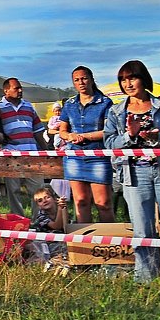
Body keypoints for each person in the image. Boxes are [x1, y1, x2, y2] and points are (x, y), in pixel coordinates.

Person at [104, 59, 160, 283]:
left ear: (143, 78)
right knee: (142, 229)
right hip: (133, 173)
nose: (128, 84)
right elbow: (109, 143)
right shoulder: (115, 111)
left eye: (132, 77)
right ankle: (145, 277)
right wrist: (130, 136)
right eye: (123, 80)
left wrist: (158, 137)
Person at [59, 65, 115, 223]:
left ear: (91, 80)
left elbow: (108, 131)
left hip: (97, 155)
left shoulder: (105, 102)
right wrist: (70, 136)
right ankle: (85, 241)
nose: (81, 82)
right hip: (74, 156)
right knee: (81, 201)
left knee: (103, 203)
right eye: (76, 80)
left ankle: (111, 241)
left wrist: (84, 136)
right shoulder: (69, 104)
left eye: (84, 78)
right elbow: (62, 130)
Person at [0, 78, 48, 217]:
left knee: (38, 190)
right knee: (14, 191)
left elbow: (38, 131)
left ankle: (39, 221)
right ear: (6, 91)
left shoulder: (29, 106)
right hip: (11, 155)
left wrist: (46, 151)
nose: (20, 90)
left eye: (20, 88)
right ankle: (18, 221)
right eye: (16, 88)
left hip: (32, 154)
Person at [26, 185, 70, 264]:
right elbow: (57, 226)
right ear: (38, 205)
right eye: (40, 200)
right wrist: (61, 208)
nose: (44, 201)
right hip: (44, 244)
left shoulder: (59, 210)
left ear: (54, 199)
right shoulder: (41, 217)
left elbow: (66, 224)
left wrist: (63, 208)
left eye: (47, 197)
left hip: (58, 240)